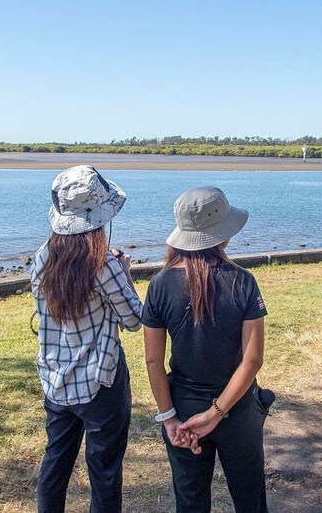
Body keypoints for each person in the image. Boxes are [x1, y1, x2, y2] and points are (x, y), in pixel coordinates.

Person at [141, 186, 272, 513]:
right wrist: (217, 412)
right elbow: (252, 360)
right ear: (223, 234)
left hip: (182, 409)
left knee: (190, 503)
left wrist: (169, 418)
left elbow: (153, 361)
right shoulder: (243, 281)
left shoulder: (158, 285)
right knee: (250, 501)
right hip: (238, 409)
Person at [30, 165, 143, 513]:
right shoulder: (103, 264)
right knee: (105, 474)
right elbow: (135, 319)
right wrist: (125, 274)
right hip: (100, 383)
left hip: (56, 379)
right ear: (98, 219)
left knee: (55, 465)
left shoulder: (42, 259)